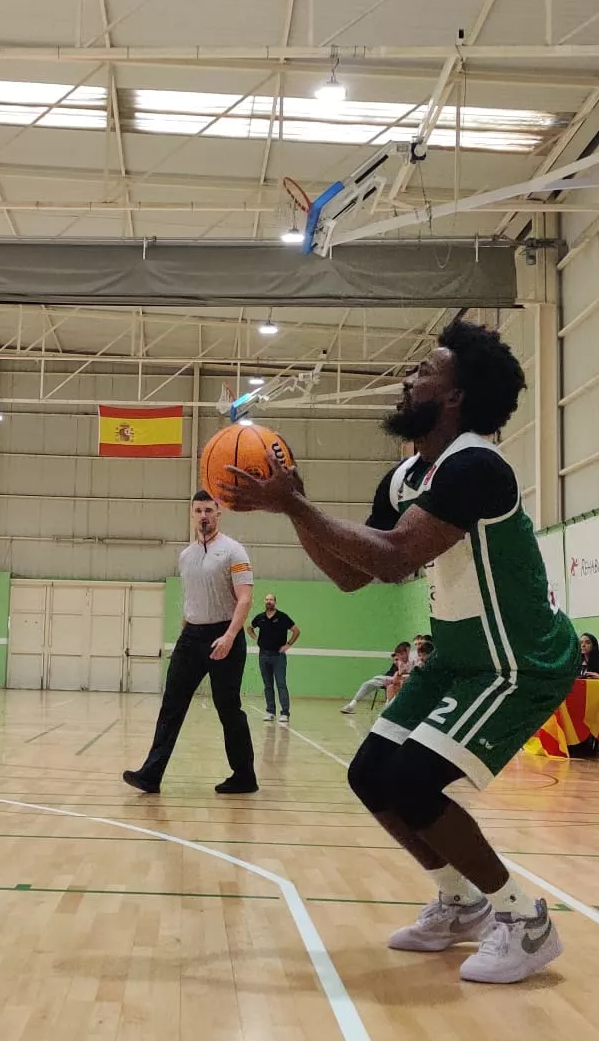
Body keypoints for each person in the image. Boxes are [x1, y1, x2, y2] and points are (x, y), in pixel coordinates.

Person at [226, 318, 578, 985]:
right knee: (371, 777)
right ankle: (461, 901)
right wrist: (292, 511)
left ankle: (525, 921)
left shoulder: (476, 465)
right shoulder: (405, 477)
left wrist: (295, 504)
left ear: (456, 395)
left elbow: (394, 560)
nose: (407, 376)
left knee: (415, 784)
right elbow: (349, 574)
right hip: (455, 655)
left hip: (517, 658)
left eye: (425, 368)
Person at [124, 491, 257, 795]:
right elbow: (192, 599)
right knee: (171, 706)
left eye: (208, 510)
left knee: (228, 709)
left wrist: (230, 636)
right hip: (191, 637)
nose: (203, 516)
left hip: (225, 636)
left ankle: (245, 776)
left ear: (218, 514)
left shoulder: (234, 552)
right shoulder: (186, 556)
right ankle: (150, 775)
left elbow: (245, 598)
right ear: (192, 514)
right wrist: (185, 631)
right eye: (198, 511)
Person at [248, 593, 300, 722]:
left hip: (278, 656)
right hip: (263, 655)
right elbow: (249, 628)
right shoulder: (260, 618)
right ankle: (270, 711)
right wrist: (256, 638)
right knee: (268, 685)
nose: (269, 601)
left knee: (281, 684)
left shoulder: (282, 617)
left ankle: (285, 713)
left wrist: (288, 645)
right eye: (267, 599)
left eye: (271, 599)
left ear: (275, 602)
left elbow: (296, 631)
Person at [343, 640, 410, 714]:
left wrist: (398, 674)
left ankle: (386, 712)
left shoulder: (412, 662)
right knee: (368, 683)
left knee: (389, 685)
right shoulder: (398, 663)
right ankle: (351, 706)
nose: (396, 661)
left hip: (400, 681)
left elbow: (400, 677)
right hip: (392, 679)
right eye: (396, 659)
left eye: (398, 657)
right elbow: (390, 675)